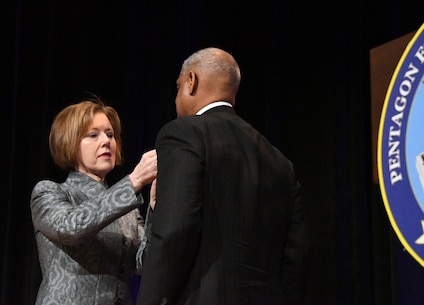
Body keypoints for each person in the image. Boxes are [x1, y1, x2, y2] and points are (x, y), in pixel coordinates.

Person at [136, 47, 310, 305]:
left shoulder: (184, 133)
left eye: (178, 86)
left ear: (191, 81)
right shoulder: (280, 162)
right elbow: (297, 254)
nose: (175, 99)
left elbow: (174, 230)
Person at [30, 97, 157, 305]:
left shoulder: (126, 209)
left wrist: (155, 209)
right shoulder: (49, 192)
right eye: (93, 135)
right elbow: (72, 227)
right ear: (69, 142)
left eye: (110, 134)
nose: (106, 141)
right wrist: (133, 181)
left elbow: (143, 263)